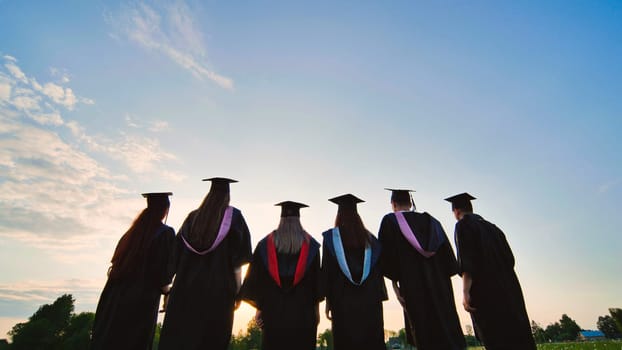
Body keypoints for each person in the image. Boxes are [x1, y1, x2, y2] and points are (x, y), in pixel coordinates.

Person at [159, 178, 252, 350]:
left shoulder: (192, 218)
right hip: (218, 295)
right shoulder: (235, 217)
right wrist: (237, 293)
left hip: (184, 292)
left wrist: (167, 292)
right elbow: (238, 263)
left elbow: (174, 257)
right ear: (227, 196)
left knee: (182, 340)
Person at [445, 193, 536, 350]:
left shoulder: (463, 225)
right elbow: (510, 259)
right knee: (516, 333)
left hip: (486, 290)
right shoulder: (493, 228)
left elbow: (467, 263)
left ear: (457, 211)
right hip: (510, 288)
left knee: (495, 335)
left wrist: (466, 292)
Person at [378, 188, 466, 350]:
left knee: (423, 331)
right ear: (411, 203)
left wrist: (395, 287)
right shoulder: (433, 222)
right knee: (446, 327)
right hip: (441, 287)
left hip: (413, 287)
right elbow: (450, 263)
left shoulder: (390, 221)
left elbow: (386, 261)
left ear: (394, 204)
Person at [91, 192, 175, 350]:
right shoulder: (165, 233)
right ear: (165, 210)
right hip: (140, 301)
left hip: (113, 299)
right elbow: (162, 272)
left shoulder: (130, 235)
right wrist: (167, 292)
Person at [239, 201, 322, 350]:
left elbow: (257, 280)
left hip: (273, 314)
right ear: (299, 219)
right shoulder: (312, 247)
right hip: (303, 316)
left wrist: (259, 308)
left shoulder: (265, 245)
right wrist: (316, 313)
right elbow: (316, 285)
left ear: (281, 218)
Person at [321, 194, 387, 350]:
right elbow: (378, 275)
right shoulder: (371, 241)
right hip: (370, 303)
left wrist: (328, 303)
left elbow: (327, 273)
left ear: (339, 215)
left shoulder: (332, 238)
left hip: (342, 304)